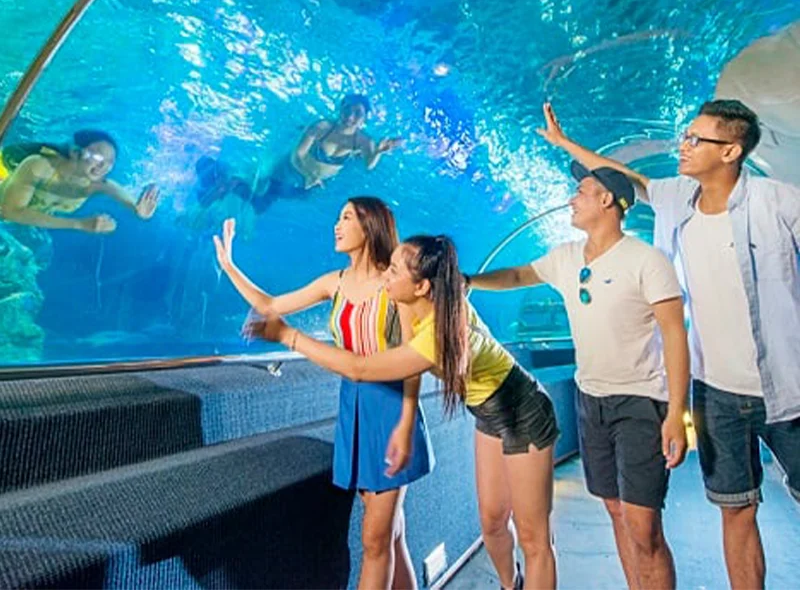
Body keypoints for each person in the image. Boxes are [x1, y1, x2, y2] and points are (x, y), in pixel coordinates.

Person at [538, 100, 800, 590]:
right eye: (686, 135)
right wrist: (564, 142)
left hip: (790, 386)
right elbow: (622, 178)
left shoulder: (779, 200)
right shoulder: (677, 197)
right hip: (715, 390)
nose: (684, 145)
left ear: (731, 151)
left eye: (696, 139)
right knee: (735, 511)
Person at [242, 234, 560, 590]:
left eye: (393, 271)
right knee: (492, 524)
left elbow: (360, 368)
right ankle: (512, 585)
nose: (385, 276)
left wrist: (289, 336)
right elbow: (445, 291)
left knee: (534, 538)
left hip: (524, 409)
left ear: (422, 286)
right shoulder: (421, 300)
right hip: (487, 413)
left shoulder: (438, 335)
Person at [468, 162, 689, 590]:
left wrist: (676, 413)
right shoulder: (566, 257)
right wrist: (469, 281)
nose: (572, 199)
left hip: (641, 400)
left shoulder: (647, 260)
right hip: (591, 401)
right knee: (616, 510)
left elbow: (674, 335)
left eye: (582, 192)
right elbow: (518, 275)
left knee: (643, 526)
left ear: (607, 200)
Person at [214, 197, 433, 590]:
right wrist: (229, 265)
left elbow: (411, 359)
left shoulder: (394, 283)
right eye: (338, 217)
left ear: (370, 225)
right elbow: (270, 305)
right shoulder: (334, 282)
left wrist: (405, 422)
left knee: (375, 539)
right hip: (354, 411)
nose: (337, 225)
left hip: (390, 411)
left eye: (346, 217)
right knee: (390, 533)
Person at [199, 95, 403, 213]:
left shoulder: (364, 141)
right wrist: (310, 175)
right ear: (340, 109)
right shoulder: (322, 127)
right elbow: (297, 155)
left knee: (277, 200)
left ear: (364, 118)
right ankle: (232, 180)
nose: (350, 116)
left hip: (311, 182)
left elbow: (369, 165)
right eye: (347, 110)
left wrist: (379, 152)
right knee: (261, 202)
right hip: (291, 170)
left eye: (357, 113)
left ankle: (228, 179)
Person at [0, 130, 159, 234]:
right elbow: (11, 211)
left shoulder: (97, 184)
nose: (102, 167)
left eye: (109, 163)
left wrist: (138, 211)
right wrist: (79, 224)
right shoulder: (40, 166)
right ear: (75, 152)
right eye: (98, 158)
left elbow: (126, 199)